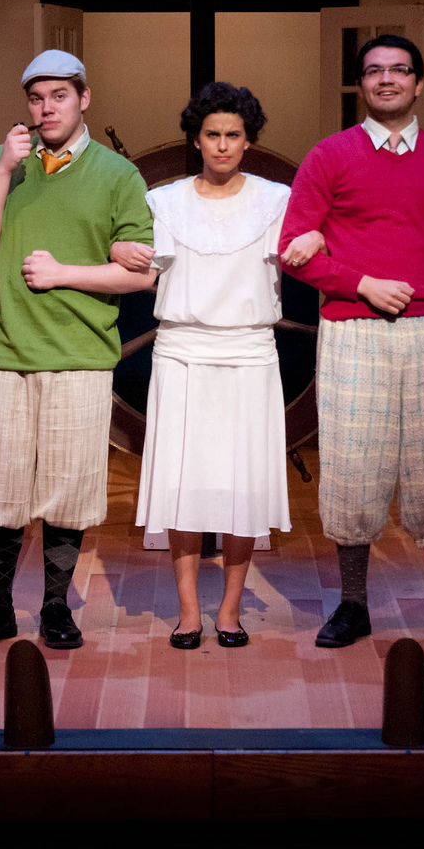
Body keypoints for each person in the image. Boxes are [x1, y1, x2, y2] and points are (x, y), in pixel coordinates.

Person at [280, 35, 424, 651]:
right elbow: (294, 249)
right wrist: (361, 283)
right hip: (352, 330)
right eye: (374, 71)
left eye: (400, 70)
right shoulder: (330, 156)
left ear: (419, 84)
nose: (387, 80)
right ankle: (353, 606)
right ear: (361, 85)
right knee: (352, 466)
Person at [0, 49, 155, 650]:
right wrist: (1, 173)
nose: (47, 109)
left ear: (84, 98)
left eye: (59, 96)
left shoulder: (118, 174)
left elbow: (140, 275)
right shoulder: (2, 160)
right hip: (5, 350)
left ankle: (56, 607)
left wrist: (64, 273)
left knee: (68, 488)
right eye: (37, 99)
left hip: (79, 352)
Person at [113, 82, 314, 649]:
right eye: (212, 135)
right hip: (182, 354)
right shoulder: (166, 201)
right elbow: (135, 258)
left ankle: (229, 610)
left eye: (233, 135)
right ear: (196, 139)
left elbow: (313, 248)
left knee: (242, 485)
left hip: (250, 354)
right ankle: (187, 612)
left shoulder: (276, 200)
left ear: (248, 141)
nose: (222, 145)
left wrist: (318, 234)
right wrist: (115, 250)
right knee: (183, 484)